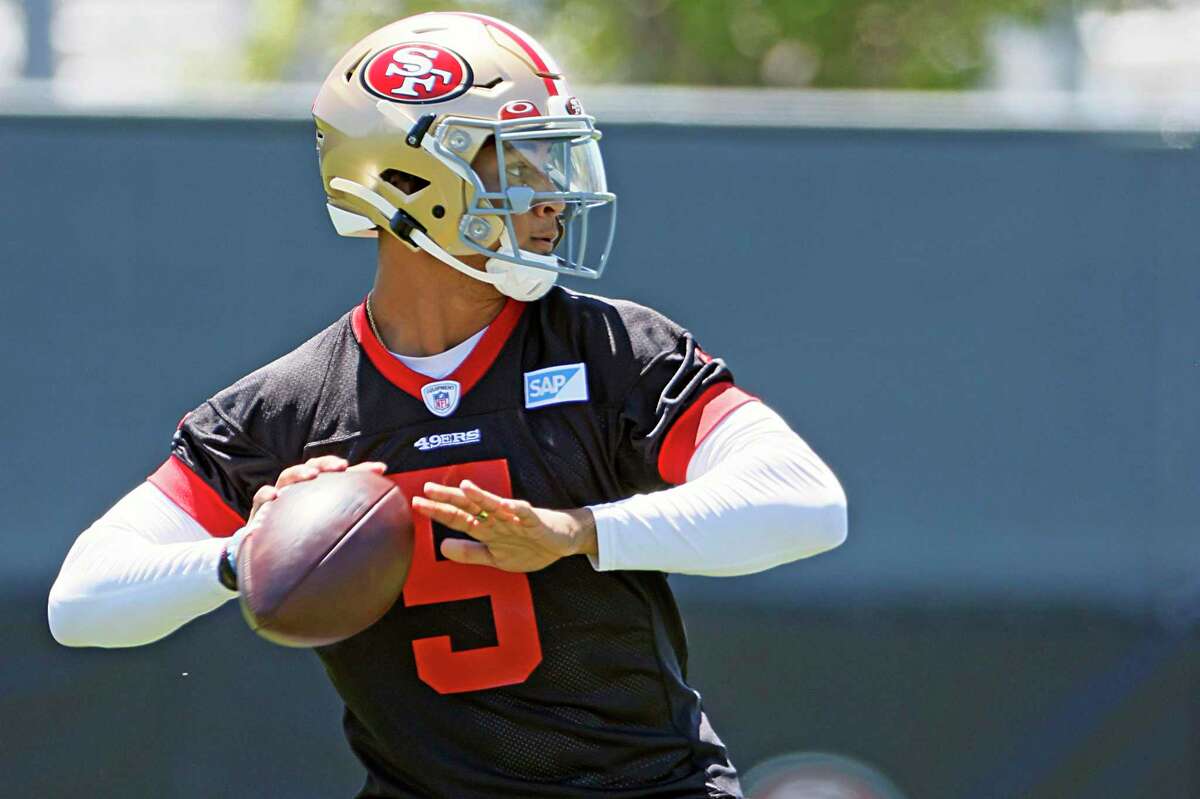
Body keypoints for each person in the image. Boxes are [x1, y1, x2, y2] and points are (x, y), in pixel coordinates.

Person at [47, 12, 847, 799]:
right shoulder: (289, 409)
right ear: (408, 180)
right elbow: (82, 599)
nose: (555, 196)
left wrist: (577, 533)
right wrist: (246, 552)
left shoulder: (609, 351)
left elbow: (807, 502)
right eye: (521, 162)